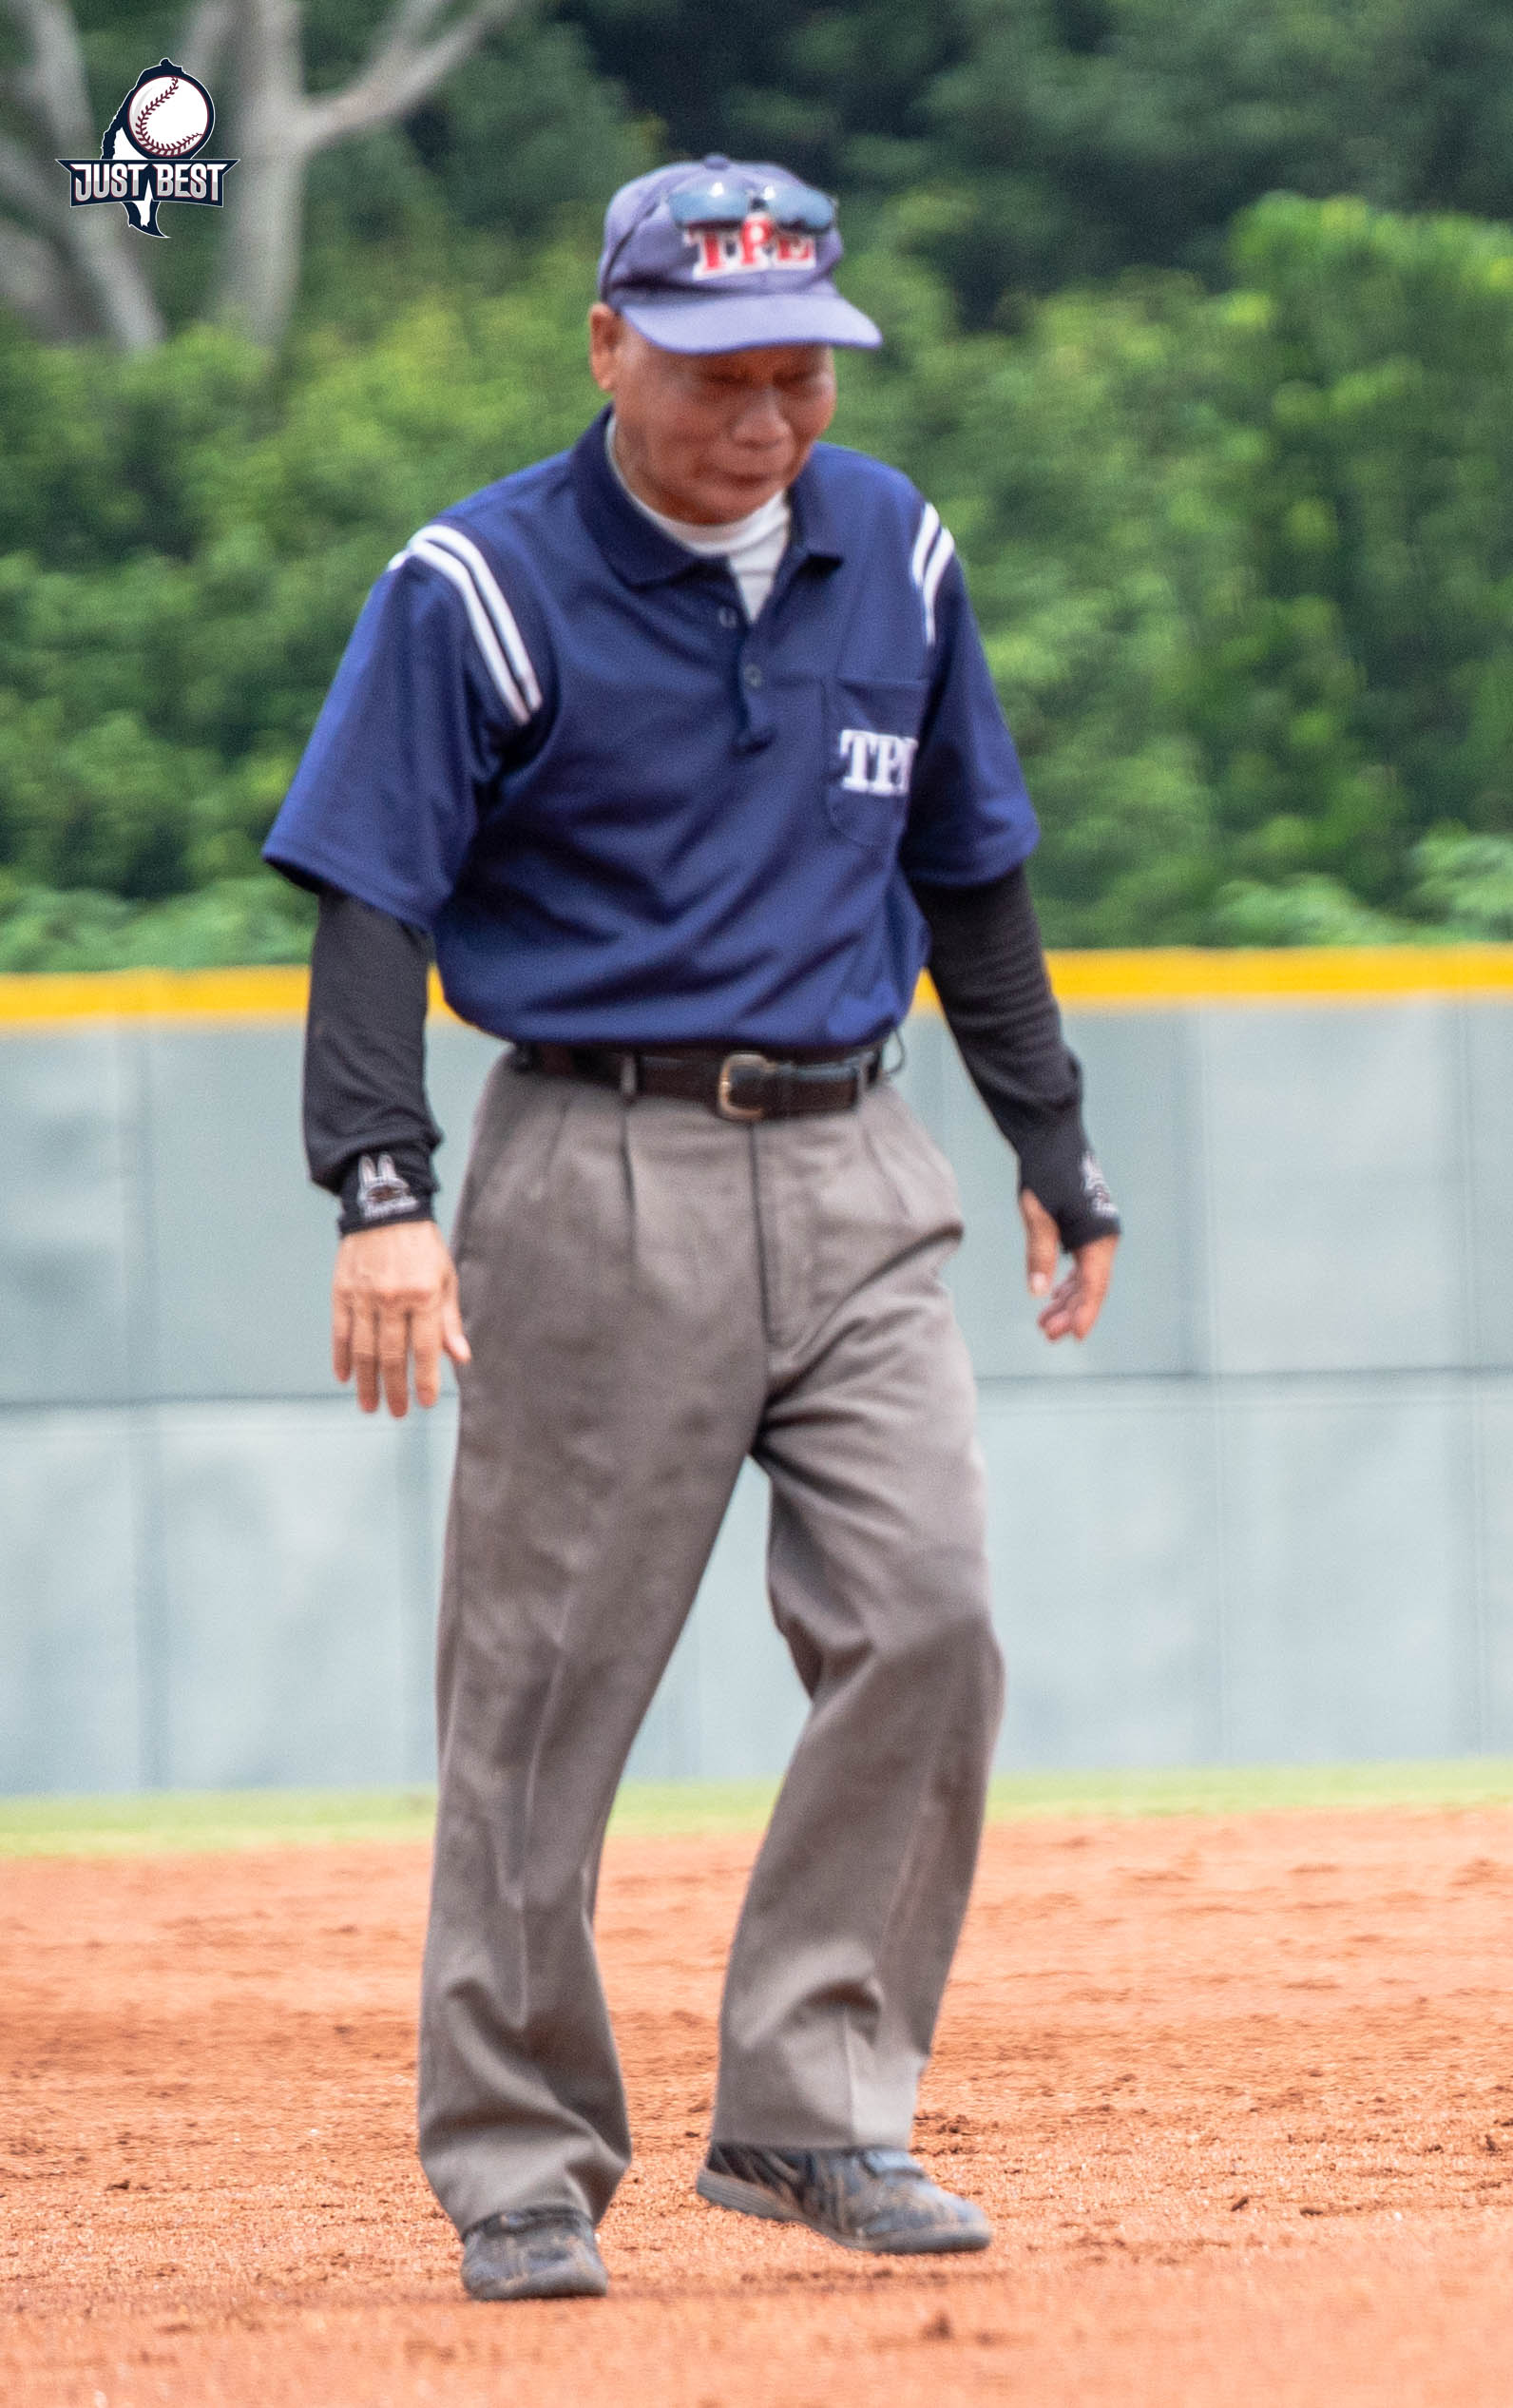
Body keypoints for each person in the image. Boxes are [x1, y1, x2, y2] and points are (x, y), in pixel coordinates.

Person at [262, 156, 1122, 2304]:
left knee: (929, 1611)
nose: (766, 417)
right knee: (540, 1690)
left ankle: (817, 2100)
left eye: (801, 374)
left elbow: (972, 870)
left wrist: (1054, 1140)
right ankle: (520, 2154)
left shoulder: (890, 548)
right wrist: (382, 1190)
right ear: (607, 344)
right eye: (721, 372)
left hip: (856, 1163)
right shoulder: (477, 585)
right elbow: (372, 896)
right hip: (595, 1162)